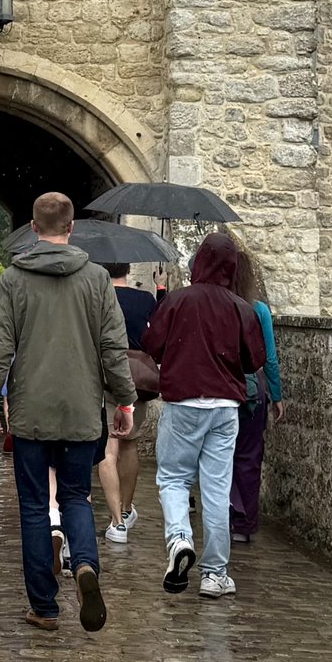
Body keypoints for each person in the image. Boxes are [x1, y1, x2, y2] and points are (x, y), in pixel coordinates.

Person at [0, 192, 133, 633]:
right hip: (82, 410)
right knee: (76, 497)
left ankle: (44, 606)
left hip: (31, 412)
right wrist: (123, 400)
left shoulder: (14, 279)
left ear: (33, 225)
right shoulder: (98, 279)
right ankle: (85, 566)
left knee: (33, 507)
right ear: (71, 227)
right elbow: (113, 348)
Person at [142, 230, 265, 600]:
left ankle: (179, 539)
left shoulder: (179, 302)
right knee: (215, 489)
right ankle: (215, 574)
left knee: (173, 479)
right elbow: (254, 359)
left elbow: (152, 345)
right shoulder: (241, 308)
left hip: (183, 403)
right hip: (225, 408)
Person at [228, 244, 285, 548]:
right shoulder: (258, 309)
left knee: (220, 456)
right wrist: (277, 395)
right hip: (252, 391)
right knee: (249, 456)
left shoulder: (219, 305)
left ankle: (223, 513)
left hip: (221, 389)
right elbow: (270, 358)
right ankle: (244, 522)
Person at [100, 260, 156, 545]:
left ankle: (117, 523)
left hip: (105, 376)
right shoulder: (145, 299)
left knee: (108, 450)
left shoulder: (99, 294)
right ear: (128, 269)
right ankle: (126, 508)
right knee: (130, 443)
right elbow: (155, 337)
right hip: (138, 379)